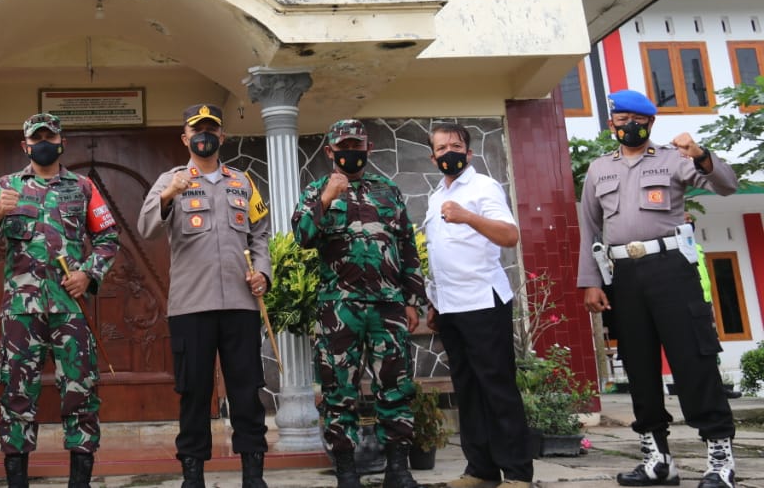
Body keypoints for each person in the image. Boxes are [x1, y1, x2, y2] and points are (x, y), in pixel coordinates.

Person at [577, 90, 740, 488]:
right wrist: (590, 282)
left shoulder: (673, 159)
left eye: (635, 119)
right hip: (623, 276)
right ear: (611, 123)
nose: (626, 126)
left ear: (650, 123)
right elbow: (590, 229)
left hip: (671, 269)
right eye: (620, 119)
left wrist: (700, 153)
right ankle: (657, 459)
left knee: (693, 361)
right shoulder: (599, 169)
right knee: (638, 365)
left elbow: (727, 186)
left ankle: (720, 457)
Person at [0, 113, 119, 488]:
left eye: (49, 137)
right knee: (16, 392)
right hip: (22, 311)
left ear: (61, 142)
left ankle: (80, 481)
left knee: (80, 389)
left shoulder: (83, 187)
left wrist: (88, 273)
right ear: (25, 145)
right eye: (35, 138)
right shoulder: (7, 186)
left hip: (70, 309)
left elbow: (108, 237)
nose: (43, 143)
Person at [139, 104, 272, 488]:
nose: (204, 135)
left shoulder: (243, 182)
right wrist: (168, 195)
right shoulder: (171, 179)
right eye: (197, 130)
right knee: (194, 393)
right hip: (191, 307)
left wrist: (262, 273)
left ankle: (253, 473)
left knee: (247, 392)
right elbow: (145, 227)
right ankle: (192, 474)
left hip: (241, 305)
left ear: (222, 137)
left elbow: (260, 234)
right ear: (185, 138)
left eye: (211, 129)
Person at [292, 119, 424, 488]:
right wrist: (326, 198)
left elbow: (407, 247)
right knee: (339, 393)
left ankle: (398, 470)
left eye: (357, 145)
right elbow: (301, 236)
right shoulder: (316, 191)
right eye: (343, 146)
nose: (351, 151)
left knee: (395, 389)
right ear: (330, 151)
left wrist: (412, 300)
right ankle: (346, 472)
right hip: (339, 310)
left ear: (367, 149)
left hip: (388, 307)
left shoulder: (388, 192)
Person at [423, 122, 533, 488]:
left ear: (468, 153)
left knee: (496, 387)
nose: (448, 153)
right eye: (441, 148)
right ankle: (480, 469)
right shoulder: (435, 196)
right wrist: (434, 302)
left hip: (483, 303)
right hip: (450, 306)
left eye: (455, 146)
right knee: (466, 389)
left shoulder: (484, 186)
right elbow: (440, 254)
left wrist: (468, 215)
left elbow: (510, 235)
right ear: (433, 156)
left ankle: (517, 473)